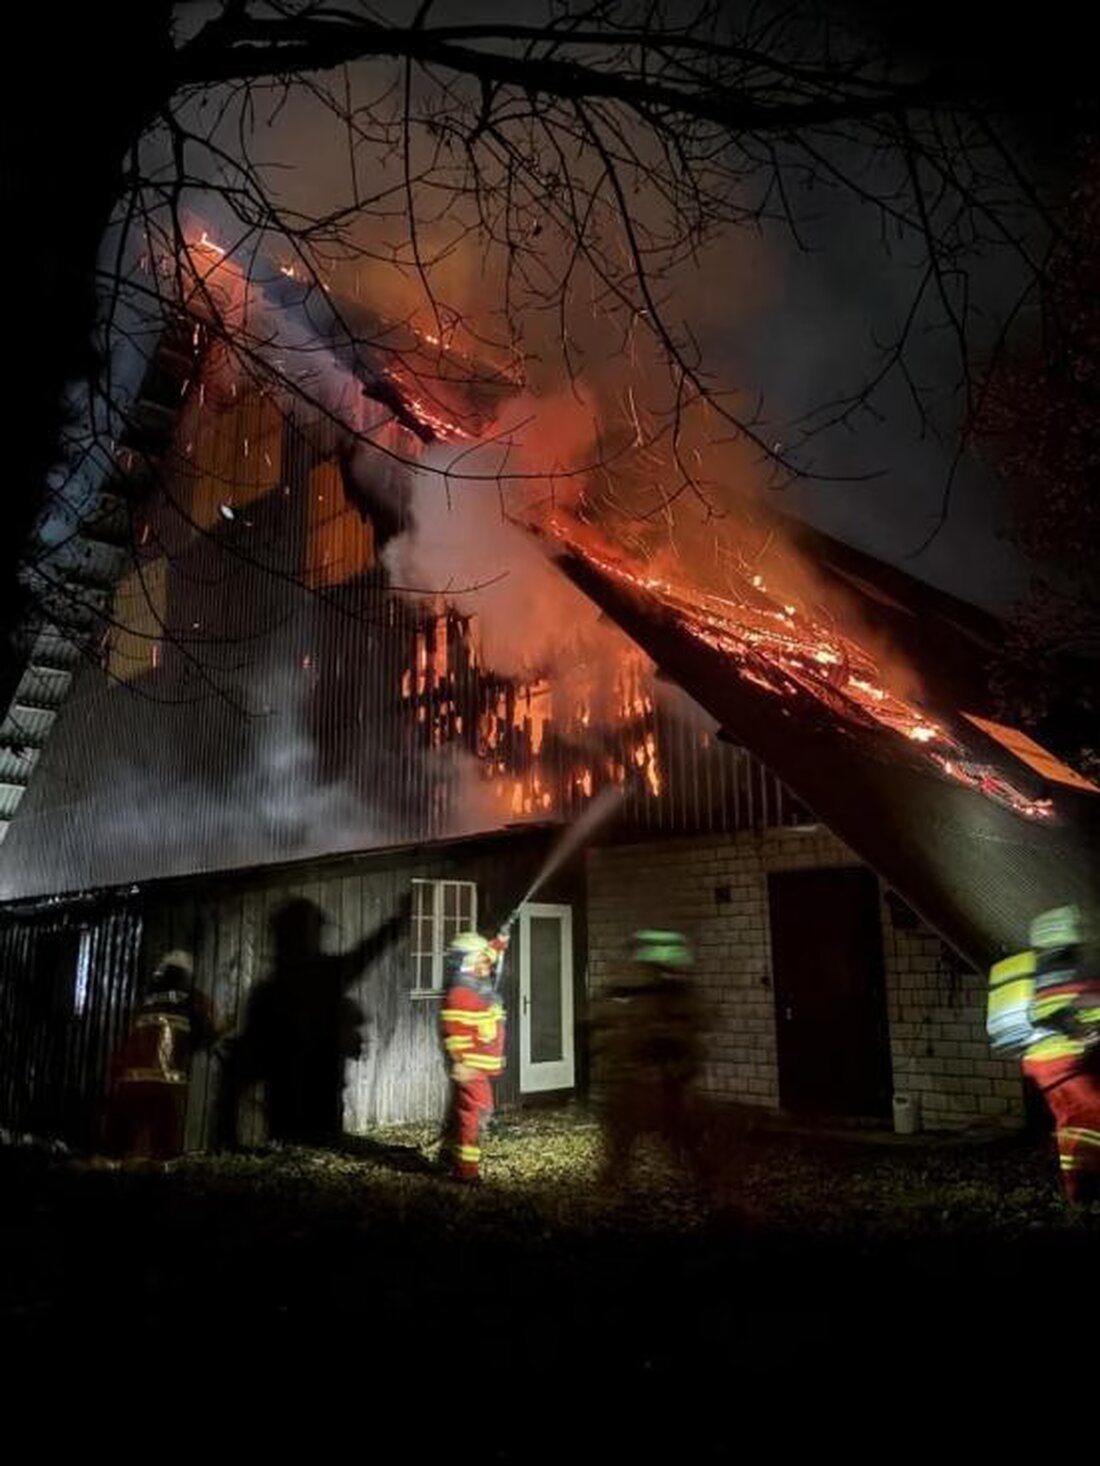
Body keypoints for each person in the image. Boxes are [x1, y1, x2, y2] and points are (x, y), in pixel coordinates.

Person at [988, 904, 1100, 1203]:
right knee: (1092, 1114)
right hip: (1061, 1062)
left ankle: (1078, 1187)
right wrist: (1083, 1025)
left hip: (1044, 1063)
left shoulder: (1037, 973)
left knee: (1073, 1122)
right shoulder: (1066, 971)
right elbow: (1072, 1009)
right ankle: (1084, 1187)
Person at [588, 929, 707, 1188]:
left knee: (679, 1130)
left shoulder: (673, 997)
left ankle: (700, 1174)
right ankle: (613, 1176)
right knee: (625, 1131)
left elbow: (689, 1032)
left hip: (662, 1078)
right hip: (640, 1078)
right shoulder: (641, 994)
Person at [103, 950, 218, 1161]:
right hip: (165, 1087)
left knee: (119, 1152)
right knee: (164, 1151)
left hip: (129, 1084)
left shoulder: (146, 1001)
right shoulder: (194, 1001)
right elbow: (204, 1036)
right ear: (187, 976)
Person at [439, 929, 509, 1183]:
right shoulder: (461, 993)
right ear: (468, 961)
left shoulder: (473, 981)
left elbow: (489, 953)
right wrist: (460, 1062)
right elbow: (454, 1032)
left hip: (477, 1067)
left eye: (486, 959)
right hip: (471, 1068)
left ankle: (452, 1157)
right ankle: (466, 1171)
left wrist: (499, 941)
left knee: (473, 1113)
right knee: (476, 1113)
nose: (487, 964)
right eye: (481, 960)